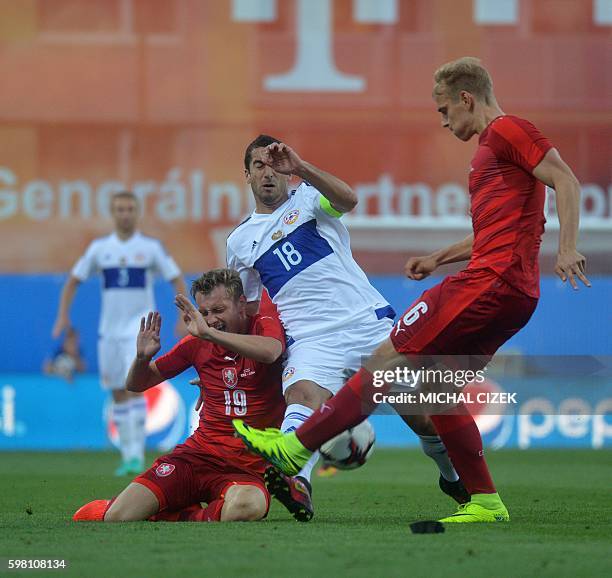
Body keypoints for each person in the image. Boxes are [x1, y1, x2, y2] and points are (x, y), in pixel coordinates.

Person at [232, 56, 590, 523]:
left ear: (466, 98)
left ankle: (297, 450)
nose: (443, 121)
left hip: (487, 282)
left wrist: (568, 248)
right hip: (514, 292)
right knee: (439, 388)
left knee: (387, 358)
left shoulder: (505, 131)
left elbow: (566, 179)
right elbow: (503, 231)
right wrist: (439, 258)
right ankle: (483, 500)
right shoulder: (492, 151)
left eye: (444, 111)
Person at [226, 135, 467, 521]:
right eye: (259, 166)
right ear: (247, 175)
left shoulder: (307, 199)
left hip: (366, 325)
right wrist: (230, 357)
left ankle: (453, 477)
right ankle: (299, 485)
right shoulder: (239, 241)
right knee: (303, 395)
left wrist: (301, 167)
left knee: (423, 414)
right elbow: (250, 307)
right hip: (310, 339)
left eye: (274, 165)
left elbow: (349, 200)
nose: (268, 173)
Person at [72, 269, 286, 523]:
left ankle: (181, 515)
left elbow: (272, 352)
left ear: (242, 304)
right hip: (196, 457)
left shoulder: (263, 325)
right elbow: (136, 384)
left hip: (247, 469)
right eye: (204, 313)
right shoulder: (196, 344)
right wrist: (142, 359)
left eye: (218, 310)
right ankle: (193, 512)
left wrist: (210, 333)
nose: (210, 319)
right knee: (118, 516)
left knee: (246, 507)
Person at [52, 190, 187, 476]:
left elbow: (175, 277)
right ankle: (128, 456)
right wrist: (63, 315)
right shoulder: (100, 249)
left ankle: (136, 456)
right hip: (109, 332)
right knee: (116, 391)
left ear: (136, 212)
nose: (125, 214)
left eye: (129, 209)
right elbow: (73, 281)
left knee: (133, 387)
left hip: (137, 331)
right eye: (120, 209)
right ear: (113, 213)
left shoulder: (150, 248)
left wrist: (182, 316)